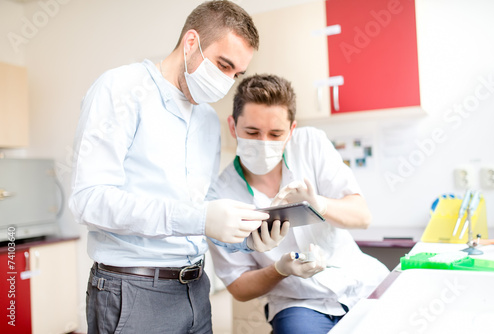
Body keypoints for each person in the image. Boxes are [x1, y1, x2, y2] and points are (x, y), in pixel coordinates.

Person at [69, 2, 288, 333]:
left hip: (195, 290)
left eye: (236, 74)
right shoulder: (121, 89)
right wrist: (200, 218)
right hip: (133, 290)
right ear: (191, 43)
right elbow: (89, 200)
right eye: (223, 65)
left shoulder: (207, 120)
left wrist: (245, 239)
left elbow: (200, 211)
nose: (227, 82)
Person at [208, 74, 390, 334]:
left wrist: (319, 204)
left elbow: (362, 216)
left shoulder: (311, 144)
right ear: (232, 126)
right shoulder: (220, 196)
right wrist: (280, 270)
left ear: (291, 130)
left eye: (275, 133)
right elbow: (238, 286)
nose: (263, 143)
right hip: (297, 302)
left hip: (360, 282)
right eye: (252, 132)